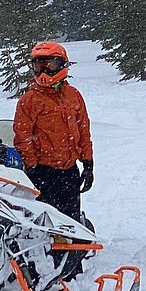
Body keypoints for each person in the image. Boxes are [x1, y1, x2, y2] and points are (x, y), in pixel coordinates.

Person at [13, 41, 94, 225]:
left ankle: (75, 249)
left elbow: (83, 131)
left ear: (62, 65)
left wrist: (88, 164)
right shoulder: (29, 100)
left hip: (69, 170)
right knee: (46, 223)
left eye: (49, 66)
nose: (44, 71)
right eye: (38, 66)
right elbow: (23, 137)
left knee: (70, 221)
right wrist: (32, 169)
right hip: (43, 172)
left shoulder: (73, 95)